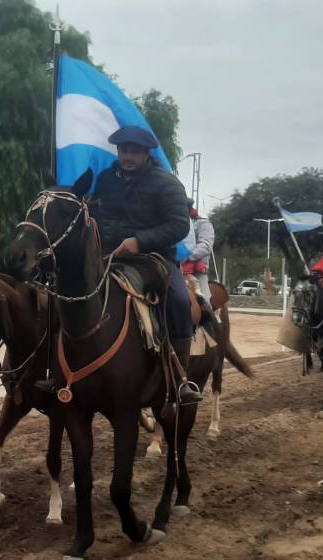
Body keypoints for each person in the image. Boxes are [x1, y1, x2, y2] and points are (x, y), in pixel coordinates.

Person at [90, 125, 201, 404]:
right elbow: (98, 215)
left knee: (178, 301)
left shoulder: (167, 183)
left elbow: (178, 225)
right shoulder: (105, 180)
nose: (128, 156)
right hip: (107, 258)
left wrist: (138, 242)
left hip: (154, 259)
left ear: (146, 153)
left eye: (135, 151)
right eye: (124, 150)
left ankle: (179, 378)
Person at [182, 199, 215, 301]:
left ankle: (213, 316)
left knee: (204, 302)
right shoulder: (173, 224)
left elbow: (206, 245)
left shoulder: (202, 223)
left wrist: (185, 256)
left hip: (196, 270)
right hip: (173, 268)